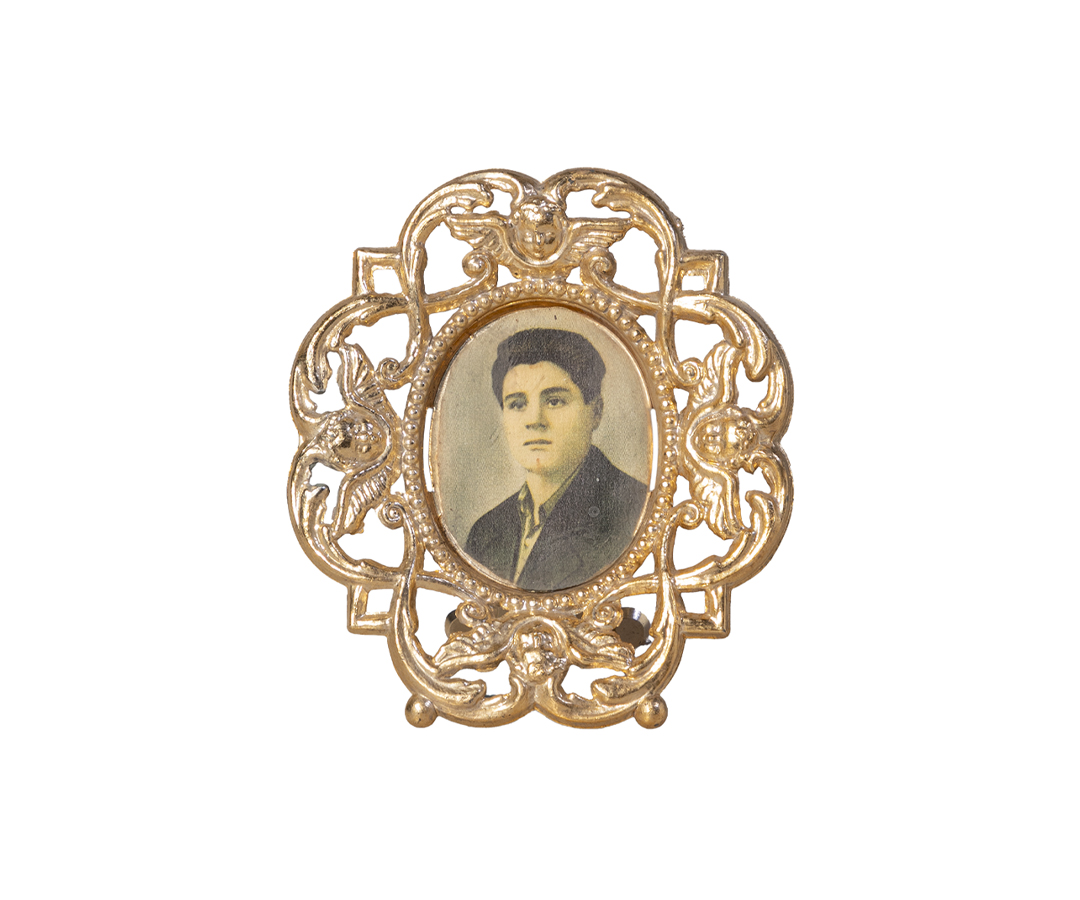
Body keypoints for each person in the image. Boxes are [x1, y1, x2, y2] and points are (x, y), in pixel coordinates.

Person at [465, 328, 647, 592]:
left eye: (554, 401)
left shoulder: (634, 513)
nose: (534, 420)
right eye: (517, 404)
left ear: (596, 412)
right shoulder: (485, 531)